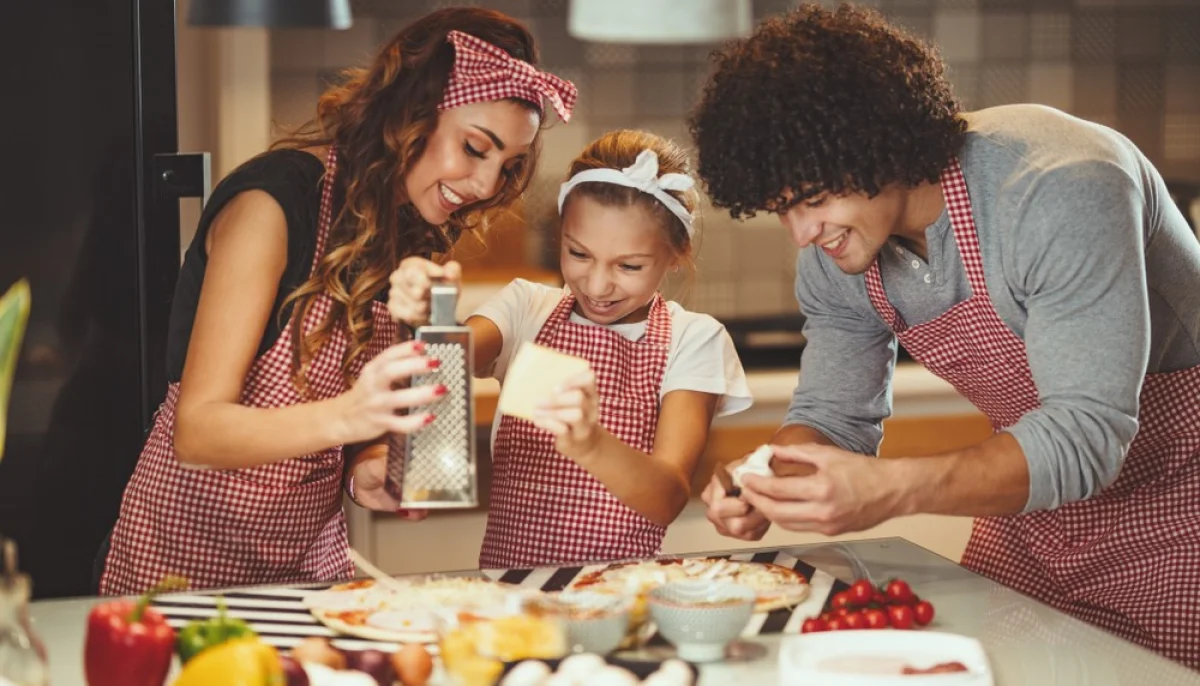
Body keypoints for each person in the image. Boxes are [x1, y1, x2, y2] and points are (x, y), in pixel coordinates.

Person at [689, 3, 1200, 669]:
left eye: (811, 200)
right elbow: (831, 416)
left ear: (881, 145)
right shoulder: (838, 255)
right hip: (1034, 517)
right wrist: (770, 476)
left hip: (1180, 512)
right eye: (782, 208)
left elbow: (1086, 436)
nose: (802, 234)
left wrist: (890, 487)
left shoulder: (1060, 187)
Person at [98, 7, 577, 595]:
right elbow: (199, 433)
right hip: (177, 571)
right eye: (475, 148)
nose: (485, 186)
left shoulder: (416, 238)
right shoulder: (272, 207)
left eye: (508, 168)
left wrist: (368, 463)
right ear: (409, 112)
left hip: (307, 574)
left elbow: (355, 416)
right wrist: (352, 416)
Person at [390, 130, 753, 568]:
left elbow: (667, 498)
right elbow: (445, 362)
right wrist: (430, 314)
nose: (598, 285)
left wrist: (591, 445)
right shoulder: (527, 308)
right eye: (579, 254)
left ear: (676, 255)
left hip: (622, 596)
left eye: (629, 266)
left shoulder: (693, 339)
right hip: (511, 596)